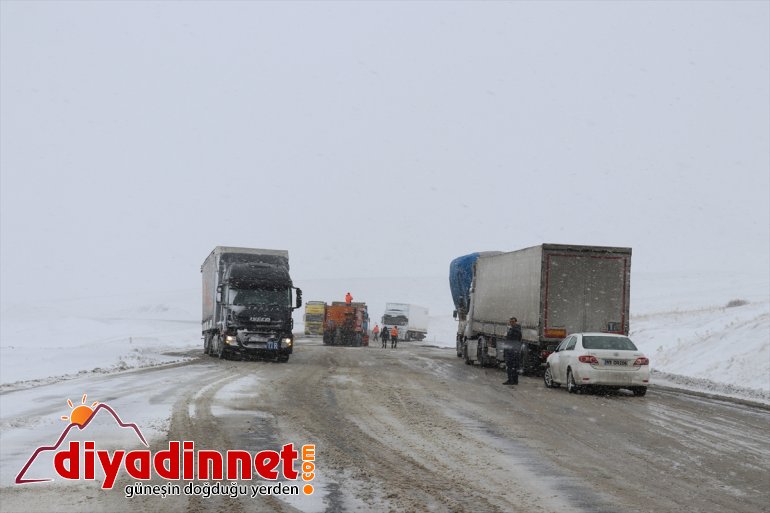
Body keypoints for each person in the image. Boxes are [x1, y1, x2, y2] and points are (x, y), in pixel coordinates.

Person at [503, 317, 522, 385]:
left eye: (513, 322)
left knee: (511, 365)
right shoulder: (514, 329)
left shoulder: (515, 330)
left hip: (512, 350)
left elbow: (513, 340)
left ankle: (511, 380)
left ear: (516, 322)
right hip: (513, 350)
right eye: (510, 322)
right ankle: (514, 380)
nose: (511, 323)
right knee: (513, 366)